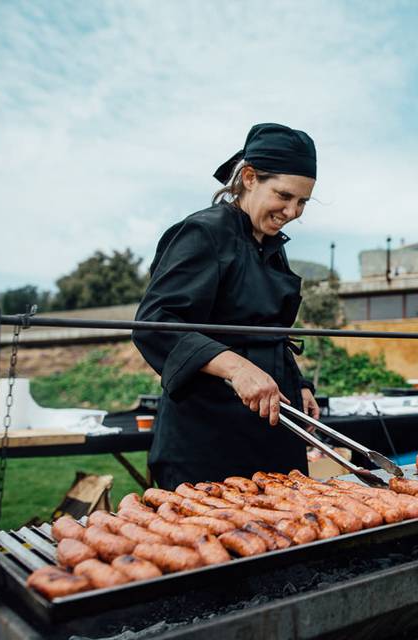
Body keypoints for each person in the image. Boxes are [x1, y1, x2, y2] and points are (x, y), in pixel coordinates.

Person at [133, 123, 321, 490]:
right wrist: (236, 368)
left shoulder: (271, 245)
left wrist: (298, 383)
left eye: (302, 201)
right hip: (208, 440)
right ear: (249, 177)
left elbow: (264, 330)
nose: (293, 210)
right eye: (284, 195)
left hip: (272, 433)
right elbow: (156, 323)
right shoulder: (203, 232)